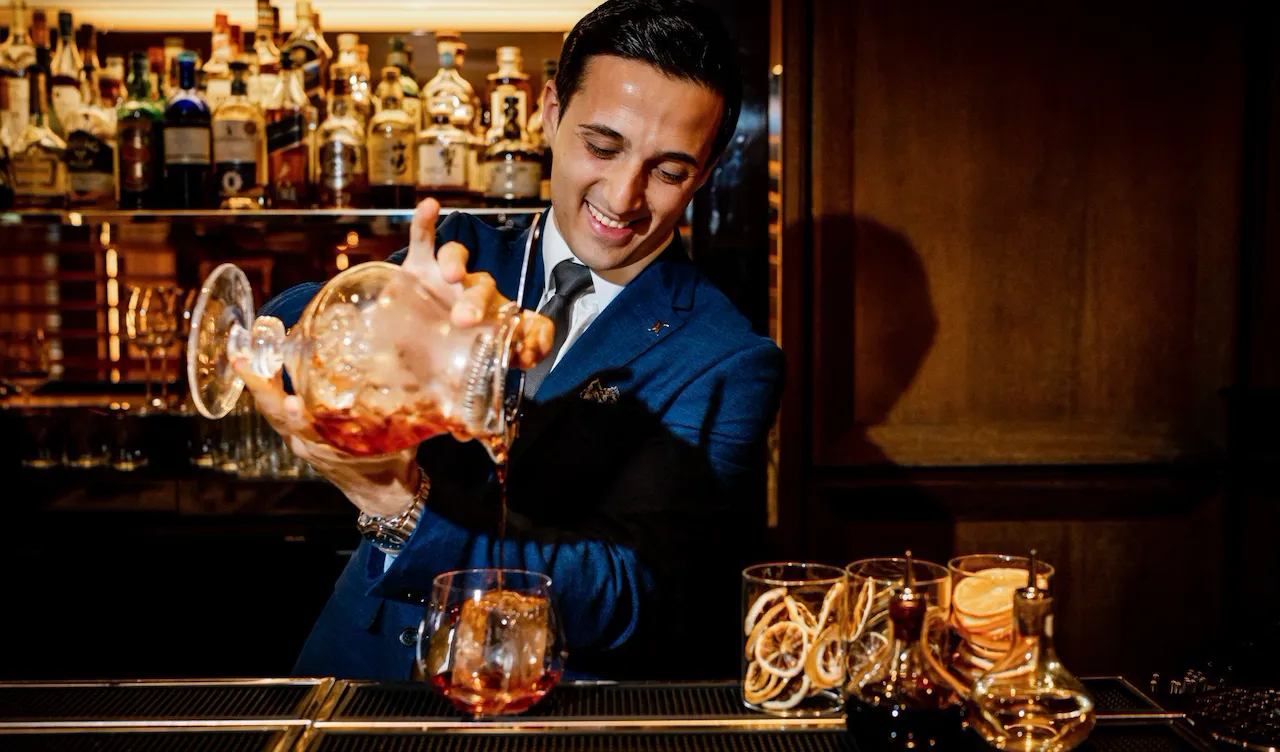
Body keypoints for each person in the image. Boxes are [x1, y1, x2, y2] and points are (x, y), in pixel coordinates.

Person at [237, 0, 784, 680]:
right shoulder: (461, 248)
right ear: (550, 112)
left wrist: (401, 507)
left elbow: (633, 591)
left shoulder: (727, 358)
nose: (623, 195)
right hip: (363, 672)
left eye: (668, 170)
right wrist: (384, 318)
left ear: (704, 171)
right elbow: (282, 322)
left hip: (544, 702)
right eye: (602, 146)